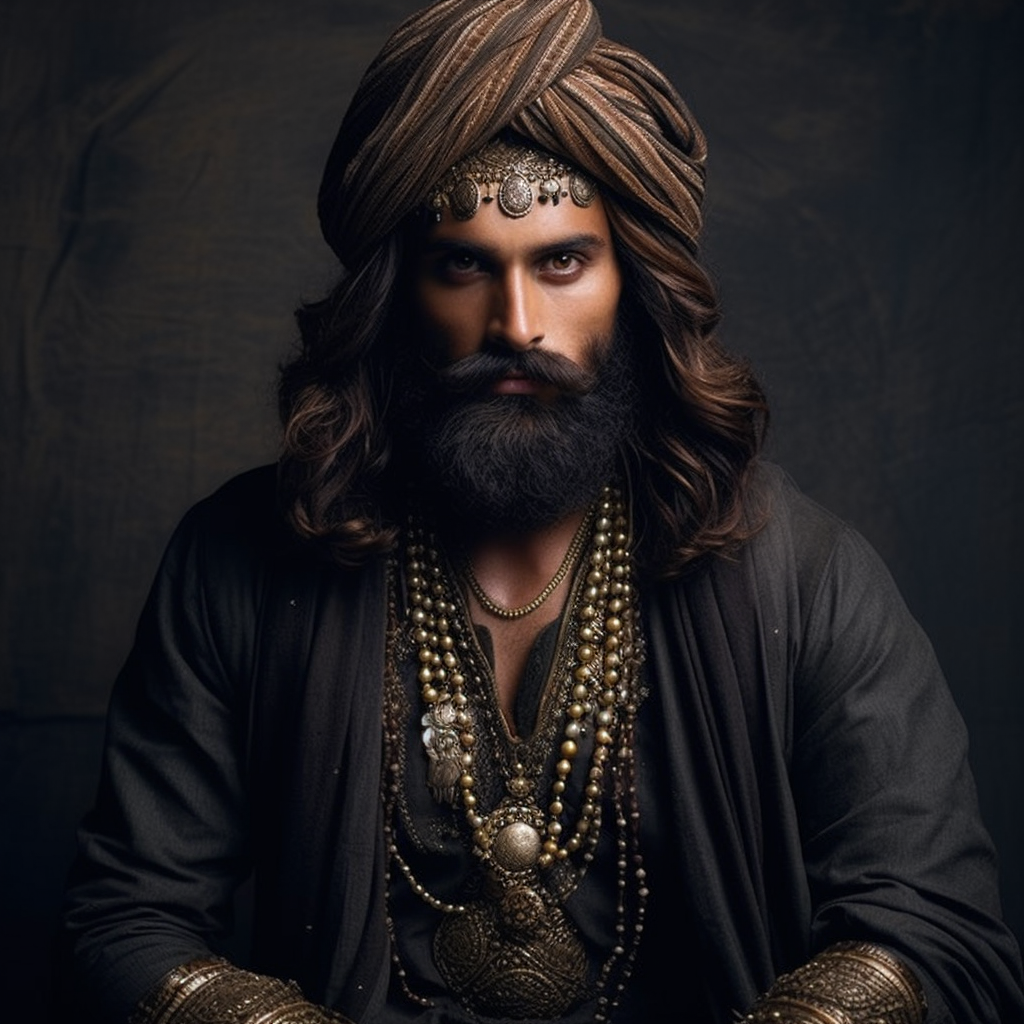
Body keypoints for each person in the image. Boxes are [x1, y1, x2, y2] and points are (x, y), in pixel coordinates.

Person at [62, 1, 1024, 1022]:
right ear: (398, 291)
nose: (516, 325)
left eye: (561, 261)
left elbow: (938, 927)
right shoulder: (240, 560)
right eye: (464, 264)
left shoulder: (807, 574)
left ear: (631, 283)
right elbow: (124, 917)